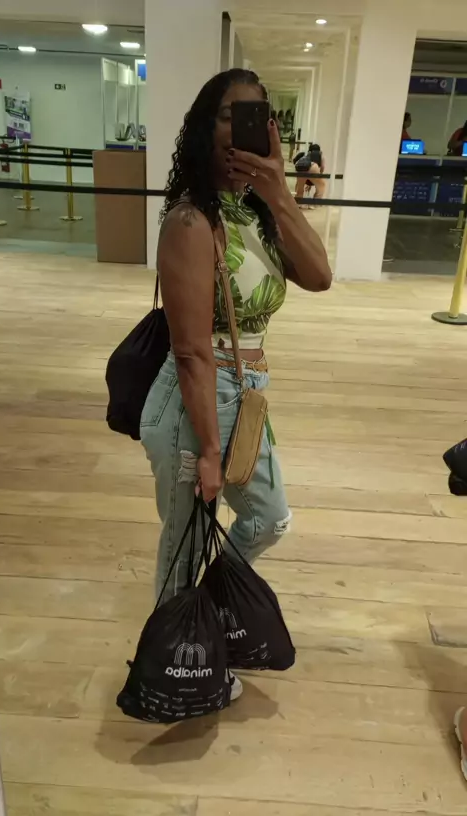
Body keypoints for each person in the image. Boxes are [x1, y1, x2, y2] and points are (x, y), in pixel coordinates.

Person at [139, 68, 331, 699]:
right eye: (230, 115)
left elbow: (320, 275)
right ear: (205, 127)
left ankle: (205, 618)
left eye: (257, 116)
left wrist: (278, 192)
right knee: (184, 541)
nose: (244, 128)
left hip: (245, 396)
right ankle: (173, 675)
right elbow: (192, 350)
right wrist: (208, 450)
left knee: (269, 519)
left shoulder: (256, 212)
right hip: (194, 400)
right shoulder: (191, 221)